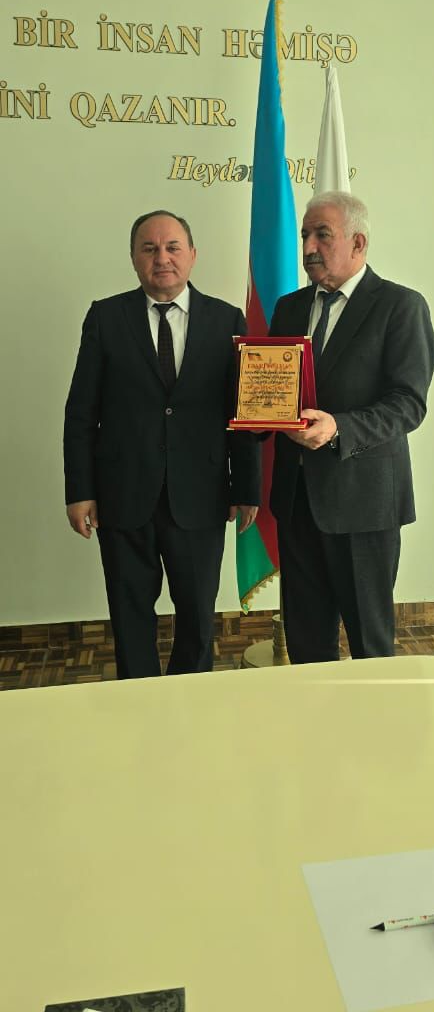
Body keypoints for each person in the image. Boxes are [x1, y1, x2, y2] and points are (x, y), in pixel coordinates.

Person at [64, 210, 260, 679]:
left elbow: (242, 413)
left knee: (197, 616)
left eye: (172, 247)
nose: (162, 258)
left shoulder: (226, 320)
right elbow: (81, 413)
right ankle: (139, 701)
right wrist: (79, 490)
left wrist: (246, 487)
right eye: (149, 249)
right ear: (134, 258)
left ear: (192, 255)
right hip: (122, 495)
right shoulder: (106, 317)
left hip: (201, 495)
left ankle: (190, 698)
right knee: (130, 612)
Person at [268, 191, 434, 664]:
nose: (308, 247)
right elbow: (275, 388)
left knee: (370, 645)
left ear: (358, 243)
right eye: (305, 235)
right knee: (306, 644)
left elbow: (408, 404)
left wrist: (338, 427)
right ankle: (315, 715)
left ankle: (376, 716)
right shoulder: (288, 308)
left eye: (323, 235)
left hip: (364, 505)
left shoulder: (401, 306)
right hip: (297, 501)